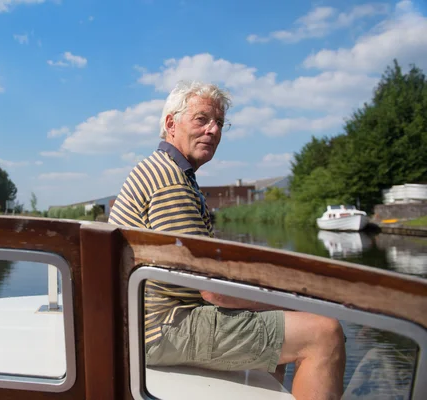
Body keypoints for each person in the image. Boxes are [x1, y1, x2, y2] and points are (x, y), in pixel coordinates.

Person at [108, 80, 346, 400]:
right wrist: (290, 299)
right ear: (170, 124)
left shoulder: (166, 171)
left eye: (219, 123)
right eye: (202, 119)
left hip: (147, 321)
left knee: (284, 316)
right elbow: (213, 291)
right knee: (324, 333)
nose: (213, 130)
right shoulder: (170, 182)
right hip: (164, 327)